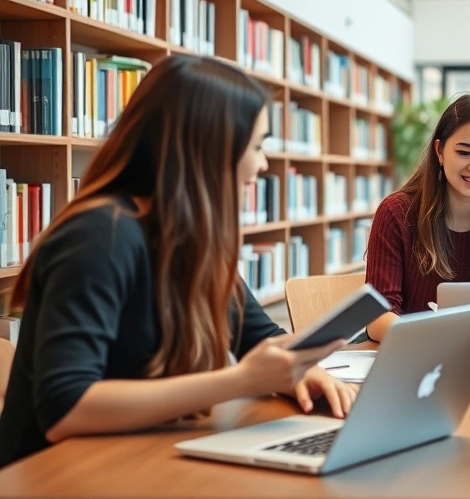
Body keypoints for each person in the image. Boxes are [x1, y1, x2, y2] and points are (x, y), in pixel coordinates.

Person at [0, 55, 359, 469]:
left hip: (137, 457)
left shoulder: (193, 238)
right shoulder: (100, 235)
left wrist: (298, 371)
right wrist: (240, 381)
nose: (263, 165)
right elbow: (67, 409)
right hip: (55, 474)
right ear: (208, 146)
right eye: (257, 145)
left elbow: (256, 338)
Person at [364, 93, 470, 342]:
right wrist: (442, 338)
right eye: (464, 152)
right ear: (440, 151)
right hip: (413, 355)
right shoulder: (396, 213)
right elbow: (377, 318)